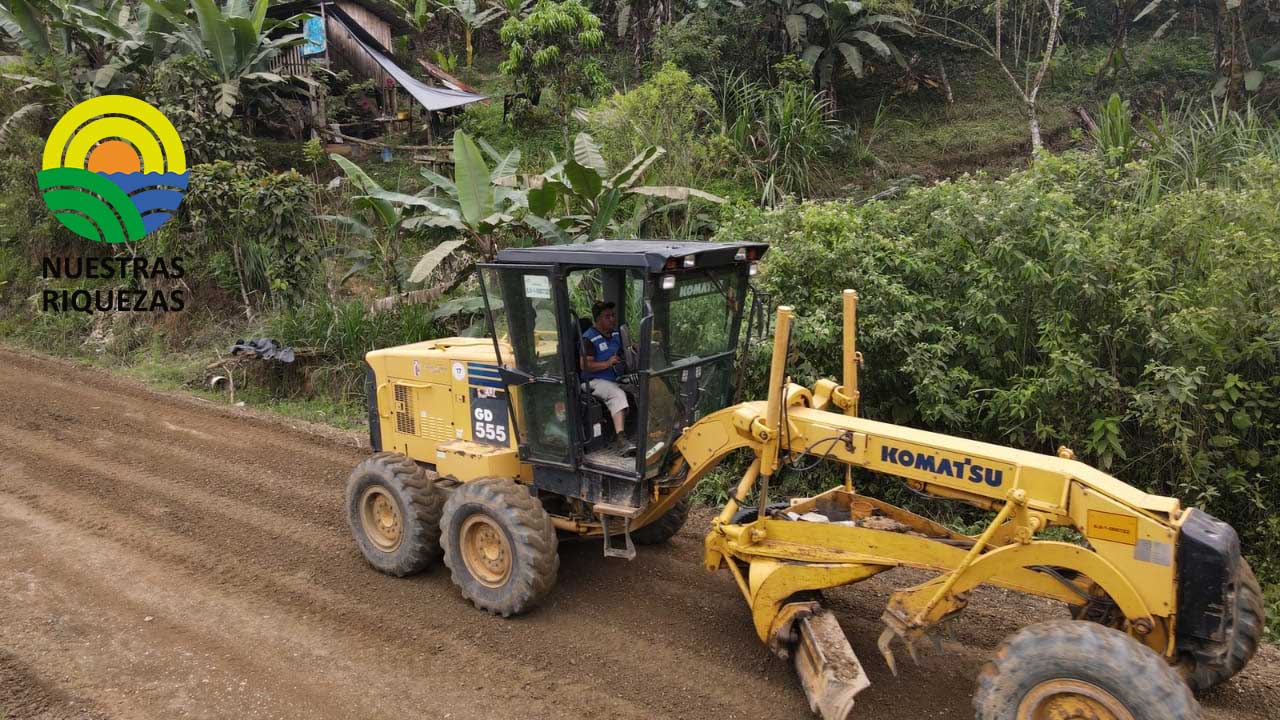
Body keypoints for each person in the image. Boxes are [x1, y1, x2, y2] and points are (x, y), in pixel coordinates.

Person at [581, 300, 635, 456]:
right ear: (598, 319)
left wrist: (637, 346)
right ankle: (621, 439)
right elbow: (585, 365)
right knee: (616, 394)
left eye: (613, 316)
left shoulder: (617, 333)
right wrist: (607, 363)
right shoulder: (589, 339)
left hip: (615, 377)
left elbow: (628, 346)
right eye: (607, 316)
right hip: (593, 381)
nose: (612, 319)